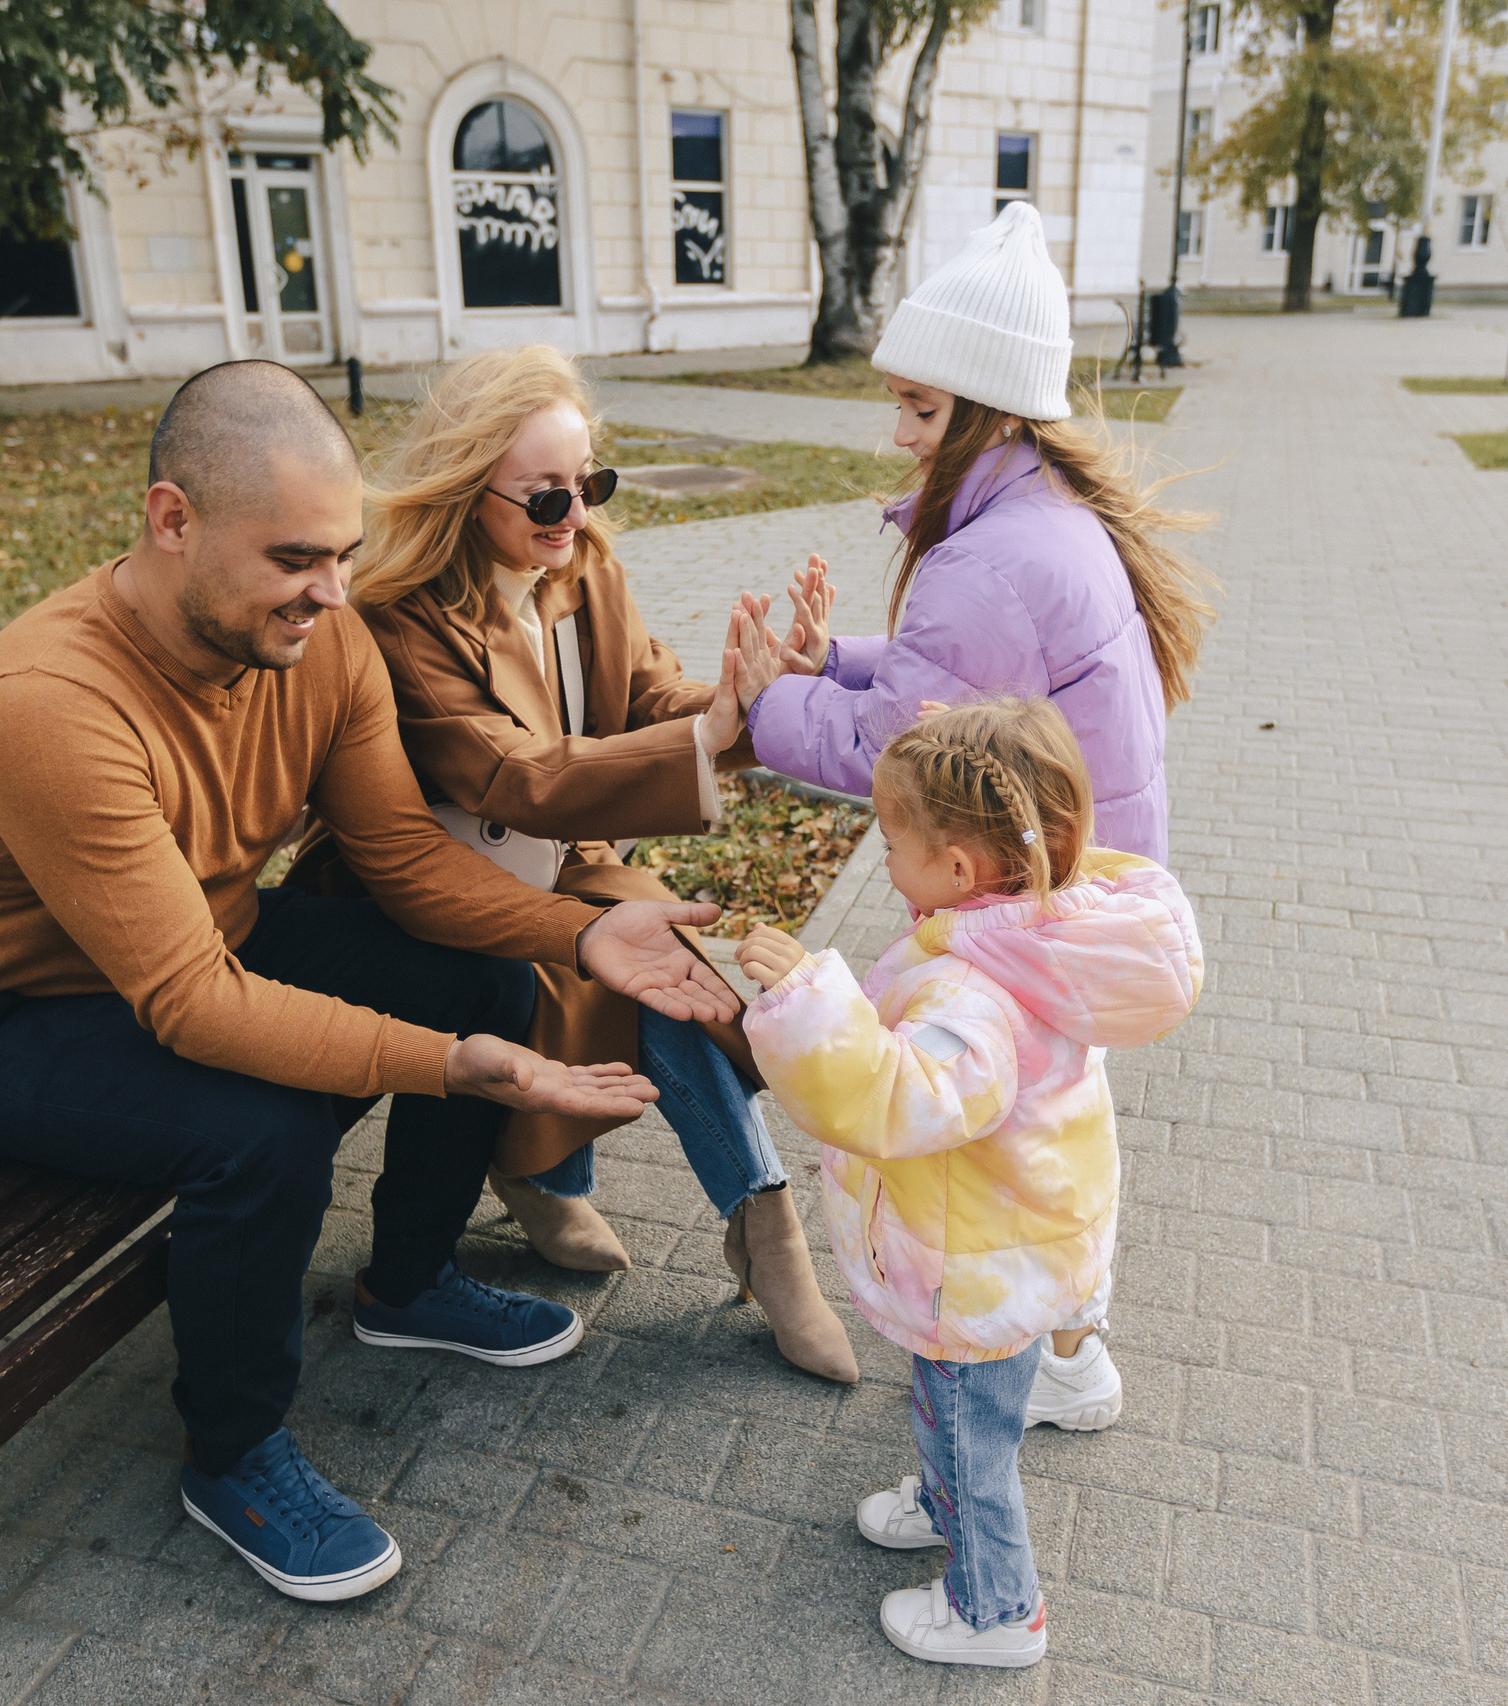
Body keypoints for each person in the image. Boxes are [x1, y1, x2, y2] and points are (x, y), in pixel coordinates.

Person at [0, 360, 737, 1606]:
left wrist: (575, 936)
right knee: (260, 1130)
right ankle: (232, 1452)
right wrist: (445, 1066)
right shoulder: (49, 702)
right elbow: (194, 1010)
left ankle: (409, 1280)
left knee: (478, 974)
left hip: (196, 938)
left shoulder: (318, 643)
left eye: (341, 553)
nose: (331, 592)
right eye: (292, 559)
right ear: (172, 521)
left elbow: (402, 864)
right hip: (5, 1020)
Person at [728, 199, 1214, 1430]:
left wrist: (765, 701)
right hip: (1078, 880)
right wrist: (831, 656)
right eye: (896, 400)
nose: (898, 433)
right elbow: (948, 672)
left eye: (922, 409)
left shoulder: (988, 559)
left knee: (1005, 1137)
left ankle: (1010, 1363)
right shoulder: (1041, 514)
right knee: (1058, 1111)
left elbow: (900, 745)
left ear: (993, 407)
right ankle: (1073, 1349)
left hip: (1023, 901)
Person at [306, 344, 855, 1383]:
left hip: (555, 867)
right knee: (618, 961)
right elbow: (516, 776)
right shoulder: (400, 618)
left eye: (591, 484)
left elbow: (651, 698)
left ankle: (764, 1230)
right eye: (547, 496)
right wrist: (711, 731)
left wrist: (756, 697)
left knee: (676, 974)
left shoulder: (584, 560)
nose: (574, 514)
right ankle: (557, 1176)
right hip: (424, 895)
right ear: (468, 490)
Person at [734, 700, 1203, 1668]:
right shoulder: (1039, 930)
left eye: (892, 835)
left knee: (968, 1433)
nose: (883, 849)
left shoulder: (970, 991)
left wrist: (802, 997)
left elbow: (905, 1098)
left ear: (958, 866)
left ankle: (996, 1607)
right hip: (1015, 1236)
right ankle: (943, 1498)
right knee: (964, 1412)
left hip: (972, 1259)